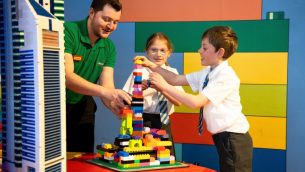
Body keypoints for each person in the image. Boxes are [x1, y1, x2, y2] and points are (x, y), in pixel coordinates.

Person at [135, 26, 253, 172]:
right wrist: (151, 65)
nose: (199, 51)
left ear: (220, 52)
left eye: (204, 48)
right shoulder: (208, 72)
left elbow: (196, 102)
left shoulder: (225, 76)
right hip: (224, 137)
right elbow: (176, 79)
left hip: (234, 138)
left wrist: (163, 86)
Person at [64, 0, 131, 152]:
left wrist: (116, 106)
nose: (111, 26)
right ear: (92, 12)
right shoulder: (67, 31)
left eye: (115, 22)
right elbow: (67, 77)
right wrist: (107, 92)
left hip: (83, 105)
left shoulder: (109, 47)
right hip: (54, 104)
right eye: (107, 19)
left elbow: (107, 86)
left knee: (82, 157)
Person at [123, 32, 184, 155]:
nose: (158, 54)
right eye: (154, 50)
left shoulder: (173, 73)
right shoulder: (139, 72)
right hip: (142, 121)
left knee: (165, 157)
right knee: (143, 157)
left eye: (162, 50)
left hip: (164, 122)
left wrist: (162, 87)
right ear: (147, 51)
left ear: (169, 53)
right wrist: (141, 90)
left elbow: (178, 101)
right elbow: (128, 100)